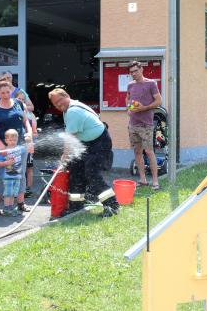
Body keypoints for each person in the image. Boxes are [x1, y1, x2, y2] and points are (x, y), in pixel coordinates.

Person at [48, 88, 119, 217]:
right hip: (85, 143)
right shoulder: (69, 108)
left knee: (91, 173)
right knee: (75, 171)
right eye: (55, 104)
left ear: (67, 96)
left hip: (99, 142)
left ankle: (112, 206)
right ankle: (76, 206)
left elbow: (70, 139)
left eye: (60, 100)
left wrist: (64, 156)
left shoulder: (73, 111)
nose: (58, 104)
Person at [0, 80, 33, 217]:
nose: (6, 95)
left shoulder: (18, 104)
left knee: (21, 174)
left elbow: (26, 121)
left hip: (20, 147)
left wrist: (29, 133)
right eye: (2, 93)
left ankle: (20, 203)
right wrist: (2, 146)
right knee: (0, 175)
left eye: (8, 92)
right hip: (4, 148)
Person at [126, 60, 163, 190]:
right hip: (133, 124)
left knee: (149, 151)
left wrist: (144, 108)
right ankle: (143, 180)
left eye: (136, 71)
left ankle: (155, 181)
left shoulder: (151, 83)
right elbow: (128, 98)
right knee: (137, 152)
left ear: (141, 70)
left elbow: (158, 101)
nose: (134, 74)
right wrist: (129, 109)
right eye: (131, 72)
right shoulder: (130, 85)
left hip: (146, 124)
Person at [0, 129, 25, 217]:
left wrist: (29, 141)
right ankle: (6, 208)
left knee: (13, 194)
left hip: (17, 176)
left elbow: (27, 147)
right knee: (8, 193)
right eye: (10, 140)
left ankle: (11, 208)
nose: (13, 142)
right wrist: (6, 163)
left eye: (15, 140)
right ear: (6, 140)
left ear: (17, 139)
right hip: (7, 177)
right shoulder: (4, 151)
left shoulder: (19, 149)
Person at [15, 89, 38, 198]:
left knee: (29, 168)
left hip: (28, 147)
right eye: (19, 99)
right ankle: (16, 189)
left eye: (23, 99)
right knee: (16, 168)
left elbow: (34, 132)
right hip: (16, 148)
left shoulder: (31, 116)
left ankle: (28, 188)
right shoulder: (13, 114)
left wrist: (30, 139)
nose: (21, 101)